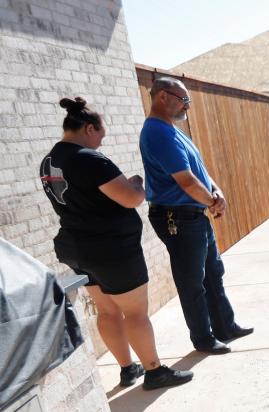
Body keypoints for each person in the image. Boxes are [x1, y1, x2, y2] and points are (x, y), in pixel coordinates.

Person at [39, 97, 193, 390]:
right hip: (112, 249)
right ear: (89, 128)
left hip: (77, 247)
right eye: (100, 135)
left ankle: (127, 369)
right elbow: (131, 198)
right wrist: (136, 183)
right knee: (135, 312)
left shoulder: (50, 159)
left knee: (107, 310)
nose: (101, 142)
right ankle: (155, 371)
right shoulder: (88, 158)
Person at [139, 77, 252, 354]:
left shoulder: (173, 130)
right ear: (162, 96)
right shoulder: (157, 132)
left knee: (213, 272)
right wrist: (212, 202)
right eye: (183, 99)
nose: (187, 107)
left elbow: (198, 170)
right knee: (193, 282)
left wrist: (217, 190)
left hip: (195, 213)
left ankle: (225, 326)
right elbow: (186, 181)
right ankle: (203, 339)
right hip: (177, 217)